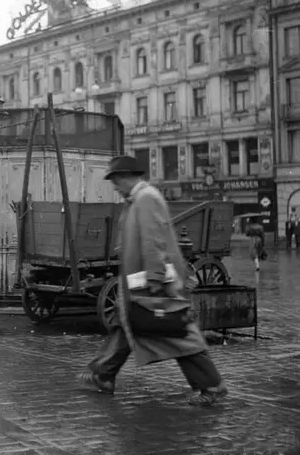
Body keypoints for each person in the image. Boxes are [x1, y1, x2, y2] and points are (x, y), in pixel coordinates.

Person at [79, 155, 227, 407]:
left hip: (153, 283)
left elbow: (153, 241)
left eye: (115, 180)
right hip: (141, 283)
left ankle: (212, 385)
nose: (114, 186)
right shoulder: (138, 200)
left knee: (177, 334)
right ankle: (102, 374)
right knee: (131, 325)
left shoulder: (147, 199)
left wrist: (157, 280)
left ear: (126, 177)